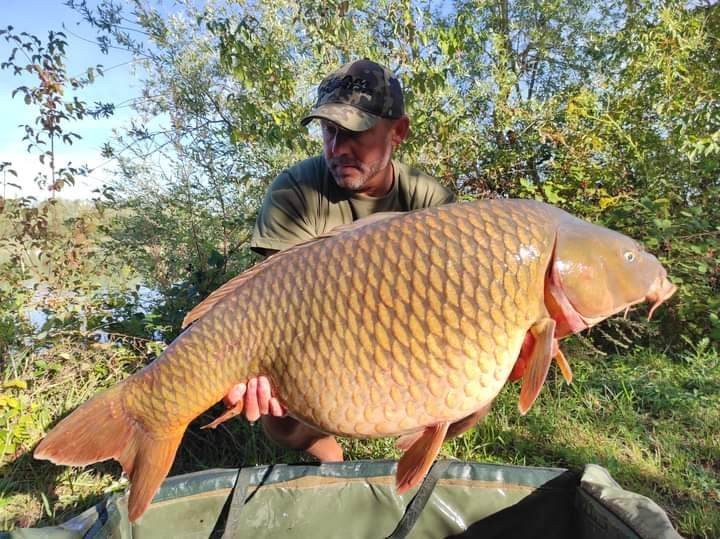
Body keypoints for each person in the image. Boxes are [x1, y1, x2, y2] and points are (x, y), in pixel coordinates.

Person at [225, 59, 455, 462]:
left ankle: (410, 458)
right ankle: (333, 463)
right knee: (279, 416)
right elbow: (270, 310)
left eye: (355, 133)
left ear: (398, 131)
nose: (337, 148)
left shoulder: (429, 200)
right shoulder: (294, 191)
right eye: (329, 131)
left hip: (405, 345)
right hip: (319, 347)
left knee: (478, 396)